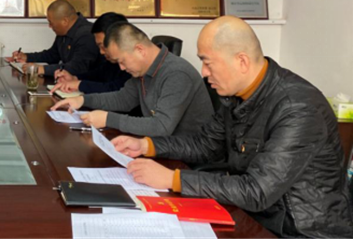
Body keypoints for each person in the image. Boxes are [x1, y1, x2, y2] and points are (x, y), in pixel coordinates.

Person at [113, 16, 353, 238]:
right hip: (256, 216)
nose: (204, 73)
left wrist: (172, 179)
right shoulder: (238, 95)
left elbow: (257, 191)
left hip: (299, 231)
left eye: (208, 63)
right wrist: (147, 145)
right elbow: (204, 144)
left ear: (242, 61)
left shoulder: (298, 108)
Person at [51, 22, 213, 137]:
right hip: (161, 147)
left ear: (140, 50)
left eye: (122, 61)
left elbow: (161, 126)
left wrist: (108, 119)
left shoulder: (177, 73)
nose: (121, 68)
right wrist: (82, 100)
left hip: (187, 158)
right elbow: (123, 99)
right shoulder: (144, 70)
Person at [9, 0, 98, 77]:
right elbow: (52, 56)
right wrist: (27, 57)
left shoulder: (87, 34)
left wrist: (41, 69)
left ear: (65, 21)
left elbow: (77, 67)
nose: (50, 26)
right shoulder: (63, 32)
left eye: (51, 23)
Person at [53, 12, 132, 94]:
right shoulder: (111, 61)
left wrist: (79, 85)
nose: (101, 52)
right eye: (99, 47)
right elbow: (98, 75)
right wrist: (74, 78)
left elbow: (115, 89)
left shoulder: (132, 63)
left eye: (103, 46)